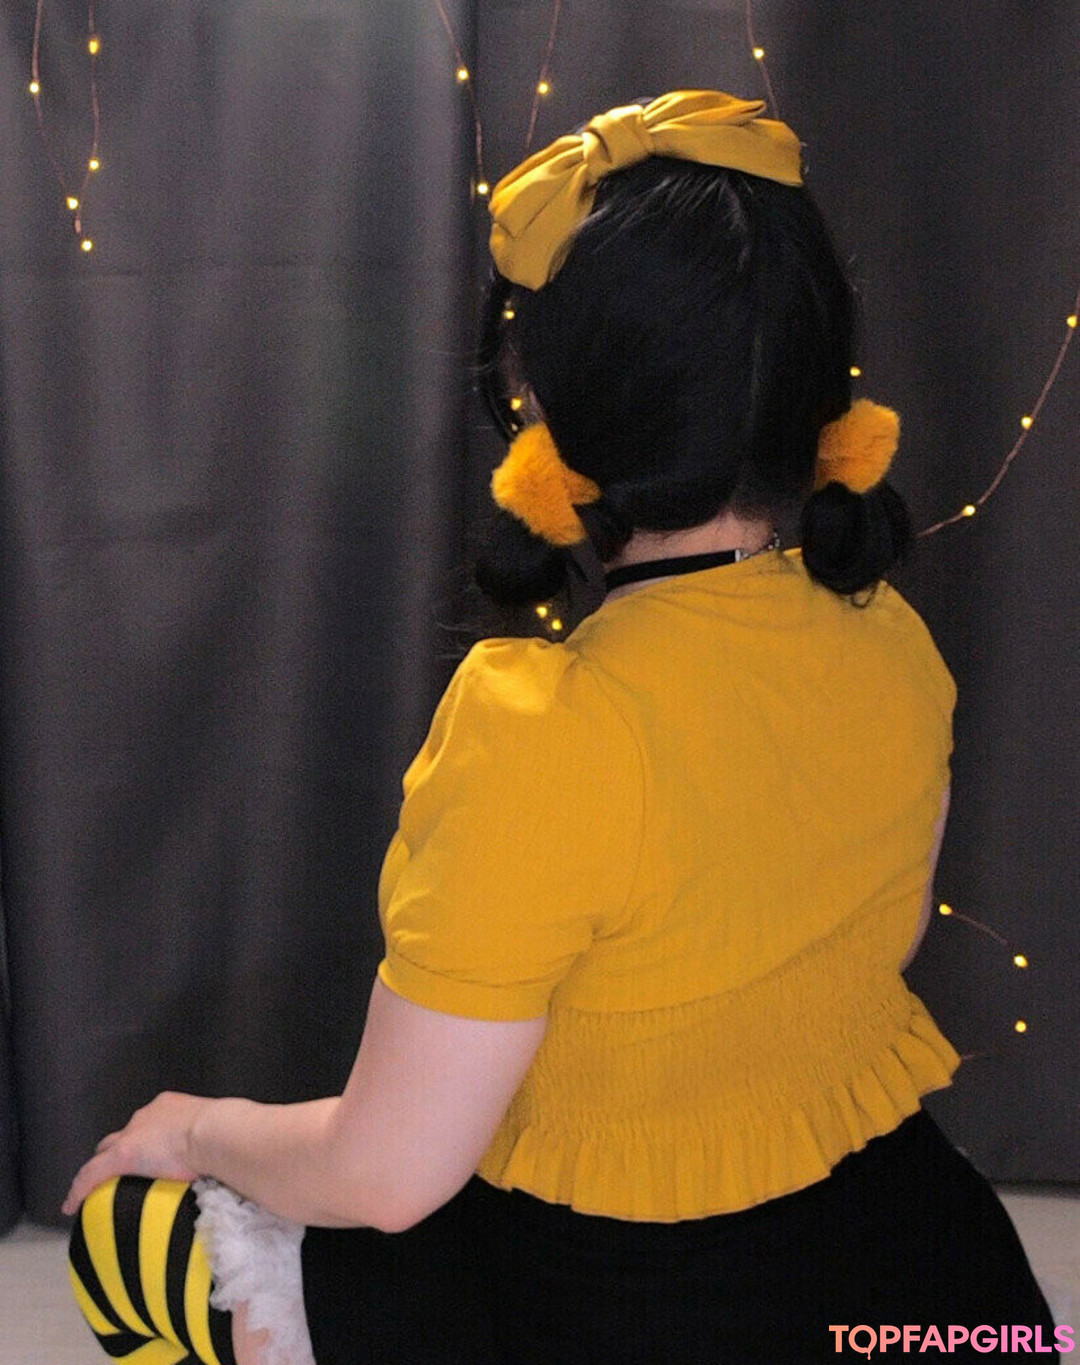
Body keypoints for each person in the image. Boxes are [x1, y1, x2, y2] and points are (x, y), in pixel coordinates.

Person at [64, 91, 1062, 1364]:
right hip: (924, 1274)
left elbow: (387, 1174)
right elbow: (894, 935)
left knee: (124, 1237)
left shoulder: (544, 724)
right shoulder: (893, 641)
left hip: (630, 1303)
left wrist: (195, 1126)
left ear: (546, 415)